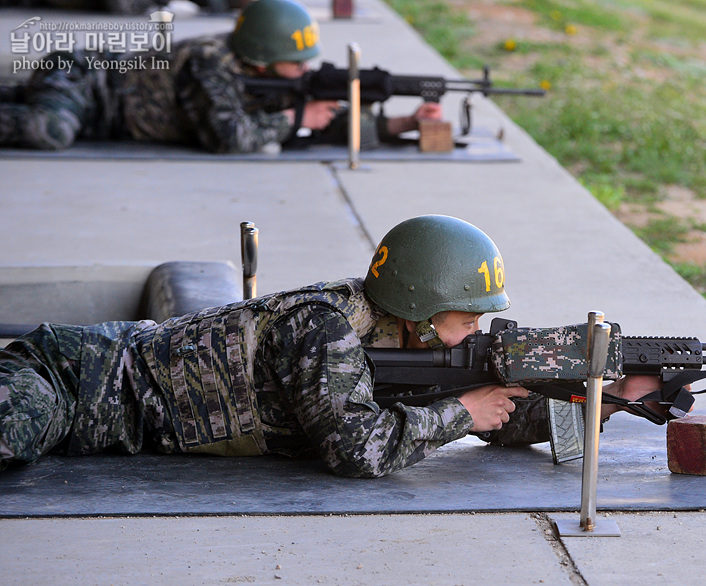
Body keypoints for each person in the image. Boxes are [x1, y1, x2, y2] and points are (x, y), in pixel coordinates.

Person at [0, 215, 663, 477]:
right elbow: (358, 448)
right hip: (73, 378)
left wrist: (609, 398)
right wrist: (463, 411)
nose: (476, 334)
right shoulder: (322, 327)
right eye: (467, 320)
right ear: (421, 311)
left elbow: (504, 421)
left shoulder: (398, 333)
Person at [0, 0, 442, 153]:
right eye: (296, 61)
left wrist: (401, 123)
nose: (305, 69)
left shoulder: (264, 72)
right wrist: (294, 118)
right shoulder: (208, 61)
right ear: (263, 56)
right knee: (50, 129)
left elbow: (330, 122)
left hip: (103, 119)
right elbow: (226, 136)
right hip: (83, 81)